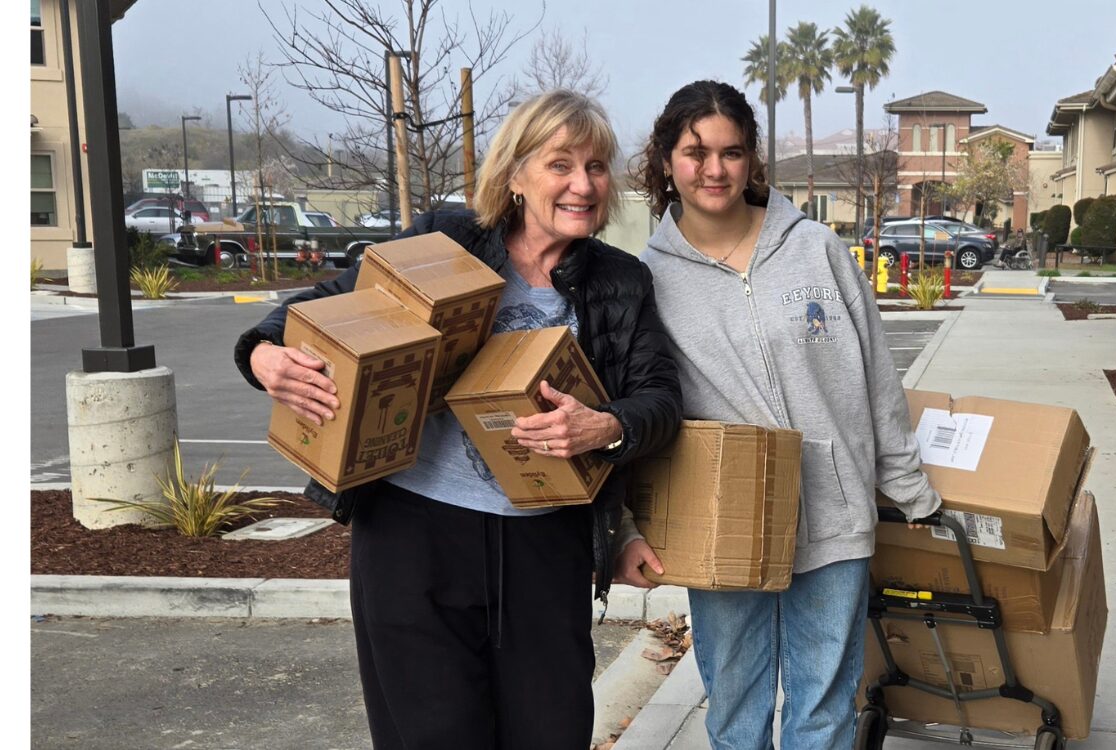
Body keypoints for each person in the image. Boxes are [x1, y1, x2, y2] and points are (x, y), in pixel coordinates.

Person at [232, 89, 683, 749]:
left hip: (544, 545)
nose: (583, 184)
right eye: (562, 164)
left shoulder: (621, 280)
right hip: (414, 539)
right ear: (515, 174)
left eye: (595, 166)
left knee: (550, 732)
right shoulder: (445, 241)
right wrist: (264, 353)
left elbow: (660, 399)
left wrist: (603, 426)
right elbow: (329, 302)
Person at [620, 80, 941, 749]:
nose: (714, 169)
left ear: (753, 159)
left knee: (822, 711)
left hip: (834, 507)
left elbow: (875, 372)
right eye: (695, 151)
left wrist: (909, 488)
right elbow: (641, 402)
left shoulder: (816, 247)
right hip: (726, 519)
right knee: (736, 709)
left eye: (731, 152)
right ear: (664, 160)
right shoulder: (647, 278)